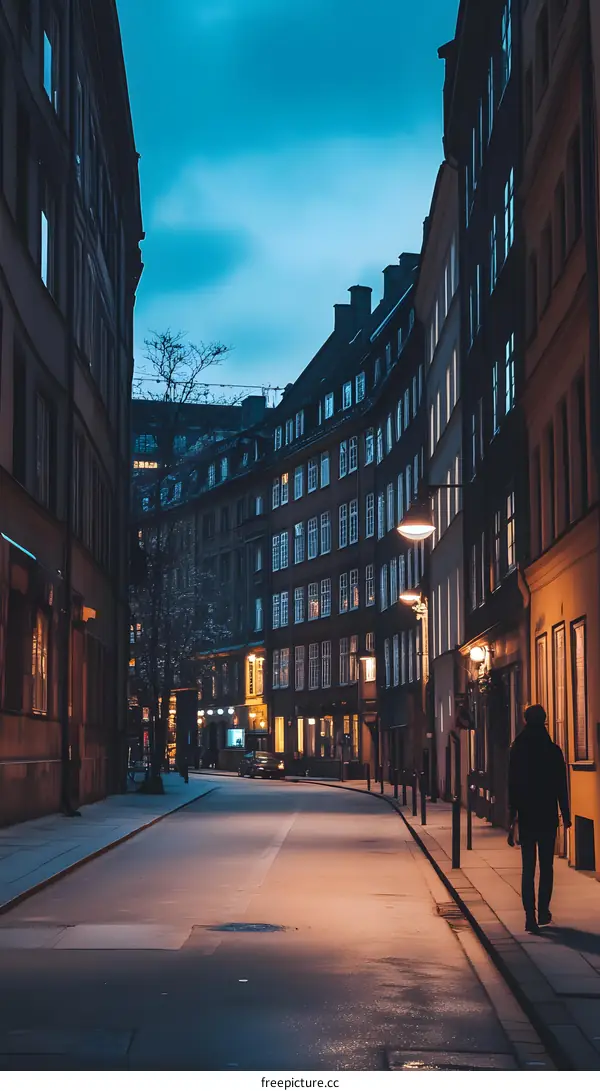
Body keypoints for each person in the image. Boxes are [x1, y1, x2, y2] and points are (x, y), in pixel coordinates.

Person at [508, 704, 571, 935]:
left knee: (528, 869)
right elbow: (560, 785)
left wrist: (511, 817)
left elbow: (512, 786)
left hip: (526, 816)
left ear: (525, 721)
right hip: (546, 816)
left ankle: (529, 918)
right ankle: (543, 911)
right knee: (546, 867)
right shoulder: (553, 751)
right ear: (544, 721)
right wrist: (565, 813)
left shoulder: (517, 749)